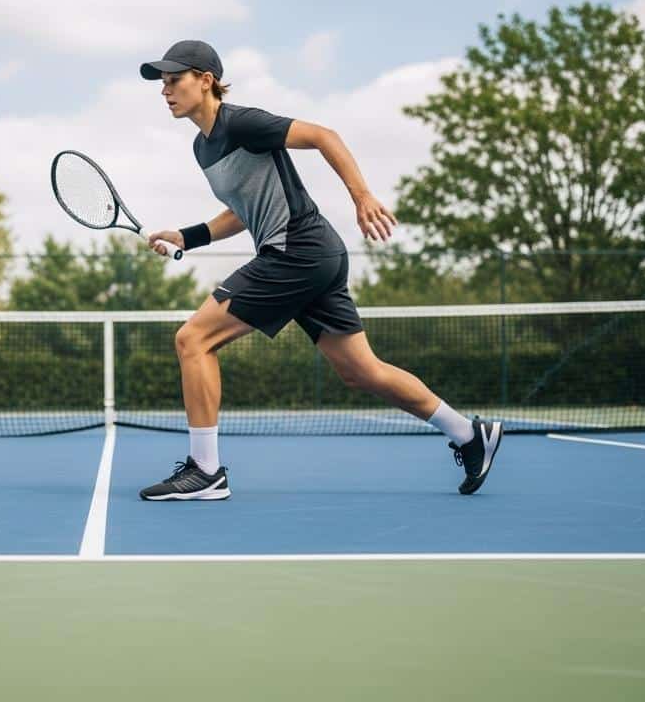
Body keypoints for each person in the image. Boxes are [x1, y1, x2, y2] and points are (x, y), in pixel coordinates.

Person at [136, 40, 502, 501]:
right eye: (163, 84)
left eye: (174, 81)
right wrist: (187, 236)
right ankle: (470, 434)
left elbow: (324, 135)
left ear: (205, 81)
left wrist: (362, 196)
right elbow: (242, 210)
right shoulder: (202, 148)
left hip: (297, 251)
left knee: (193, 339)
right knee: (362, 371)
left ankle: (206, 471)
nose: (165, 91)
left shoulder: (242, 122)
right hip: (312, 254)